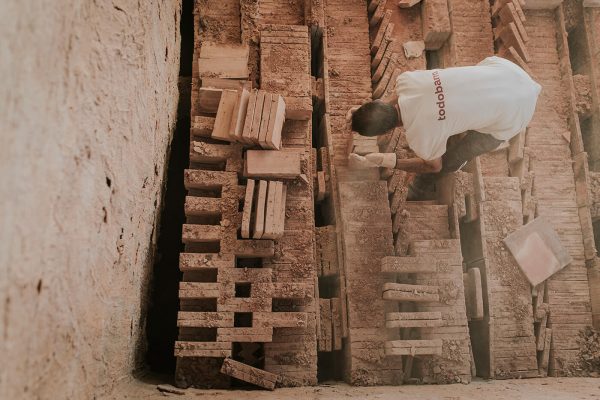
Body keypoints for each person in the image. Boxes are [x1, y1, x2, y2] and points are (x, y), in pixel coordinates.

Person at [347, 56, 542, 197]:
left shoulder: (421, 136)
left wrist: (384, 160)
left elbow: (433, 165)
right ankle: (462, 122)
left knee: (452, 159)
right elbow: (396, 99)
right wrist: (365, 113)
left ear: (388, 130)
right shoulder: (407, 80)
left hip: (515, 115)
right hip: (509, 71)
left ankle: (419, 189)